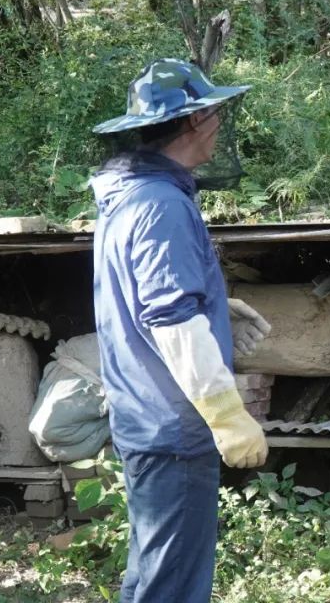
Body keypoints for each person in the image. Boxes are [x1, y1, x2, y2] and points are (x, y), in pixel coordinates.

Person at [90, 58, 272, 602]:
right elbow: (169, 319)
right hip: (173, 426)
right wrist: (227, 416)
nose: (220, 123)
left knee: (154, 576)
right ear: (193, 123)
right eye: (213, 112)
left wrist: (216, 305)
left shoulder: (132, 195)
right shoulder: (160, 205)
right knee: (171, 587)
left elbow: (143, 299)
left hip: (147, 419)